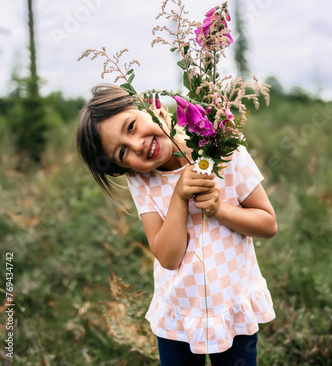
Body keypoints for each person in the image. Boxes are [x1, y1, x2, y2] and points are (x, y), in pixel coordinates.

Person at [77, 83, 277, 366]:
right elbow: (168, 258)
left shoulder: (223, 148)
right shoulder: (142, 181)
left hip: (232, 308)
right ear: (125, 169)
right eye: (122, 153)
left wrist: (219, 209)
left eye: (131, 126)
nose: (137, 145)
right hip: (178, 319)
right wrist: (180, 198)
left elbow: (268, 224)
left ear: (151, 106)